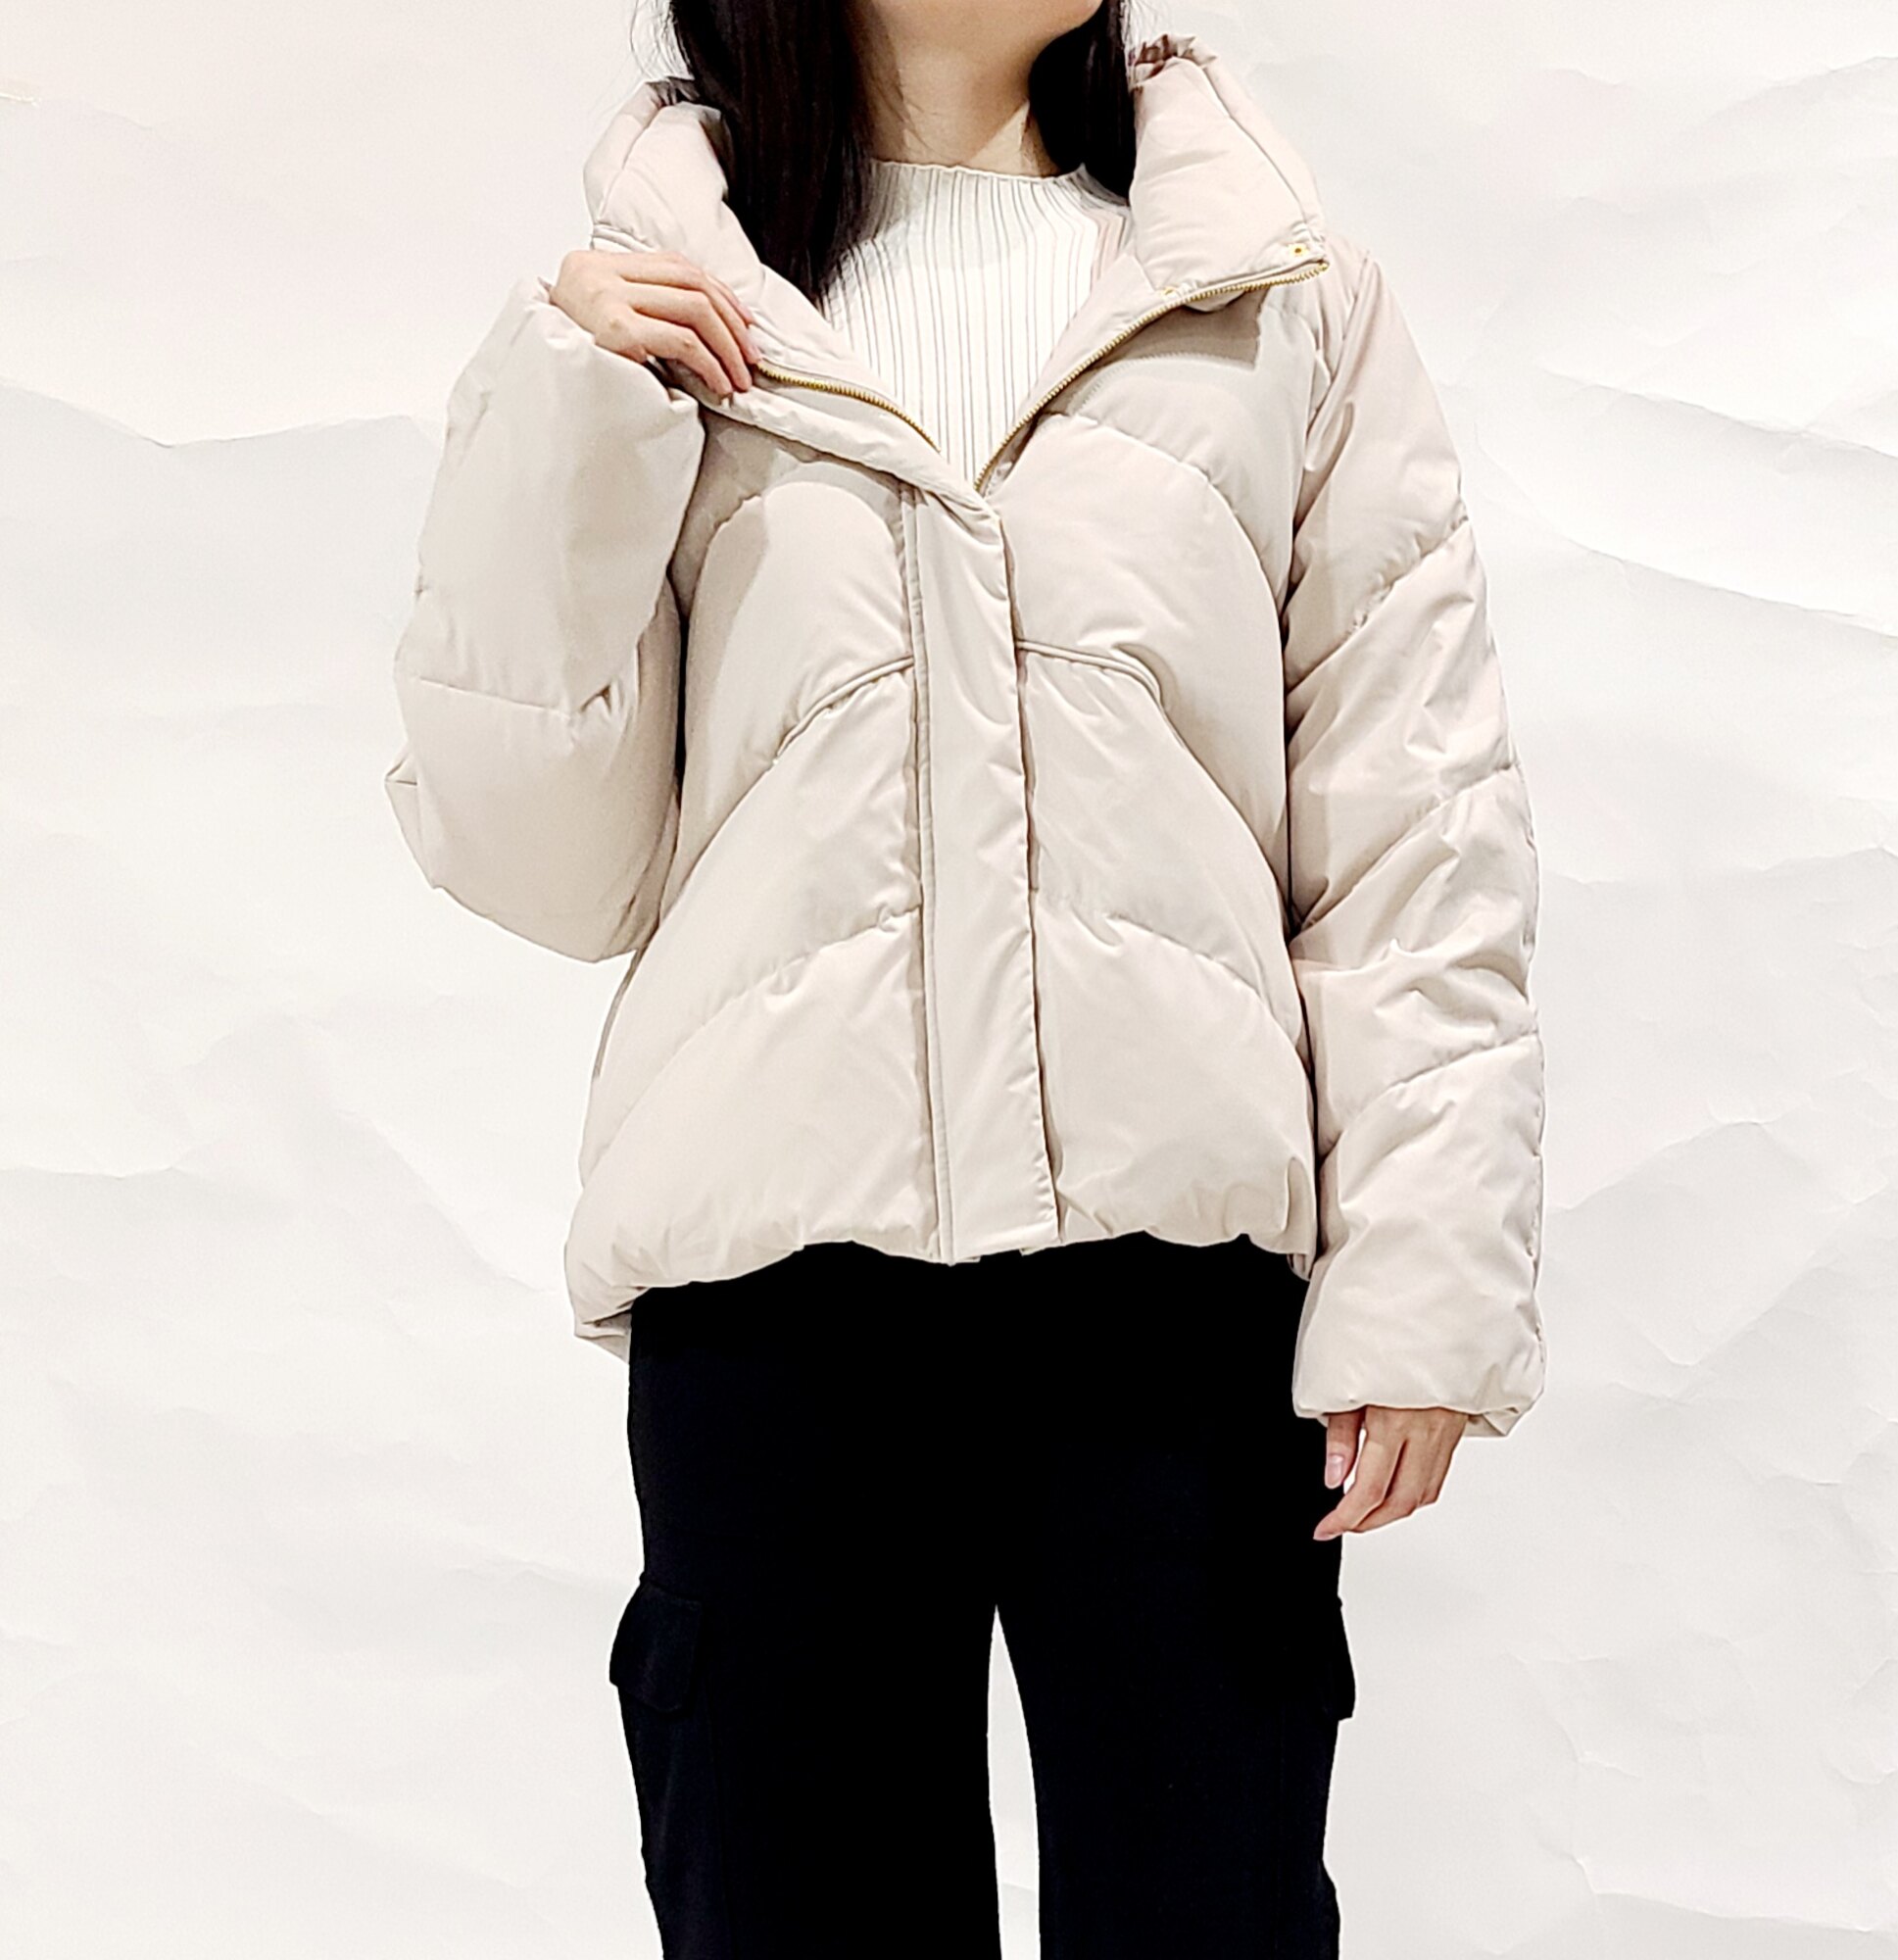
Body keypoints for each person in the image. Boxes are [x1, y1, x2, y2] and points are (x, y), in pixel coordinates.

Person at [383, 4, 1547, 1953]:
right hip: (777, 1300)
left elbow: (1412, 825)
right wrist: (565, 413)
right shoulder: (664, 309)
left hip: (1177, 1316)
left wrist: (1426, 1281)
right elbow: (542, 865)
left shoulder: (1280, 296)